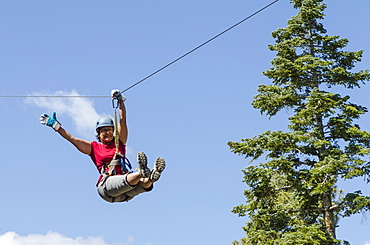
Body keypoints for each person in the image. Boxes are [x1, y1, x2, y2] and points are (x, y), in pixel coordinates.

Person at [40, 89, 165, 203]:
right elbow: (72, 139)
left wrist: (121, 101)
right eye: (103, 130)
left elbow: (123, 120)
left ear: (114, 132)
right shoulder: (94, 148)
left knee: (144, 183)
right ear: (98, 135)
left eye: (109, 130)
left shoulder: (119, 143)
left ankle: (150, 176)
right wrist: (57, 126)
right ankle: (143, 172)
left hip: (126, 192)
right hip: (107, 188)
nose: (107, 133)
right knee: (135, 177)